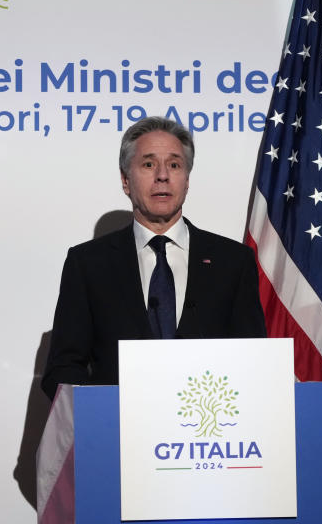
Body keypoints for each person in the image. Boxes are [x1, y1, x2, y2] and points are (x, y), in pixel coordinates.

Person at [41, 116, 266, 399]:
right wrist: (99, 418)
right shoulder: (88, 264)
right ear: (125, 181)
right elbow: (63, 369)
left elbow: (254, 360)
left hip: (209, 434)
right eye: (148, 164)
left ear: (186, 180)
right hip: (117, 434)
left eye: (174, 165)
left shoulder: (233, 262)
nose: (163, 175)